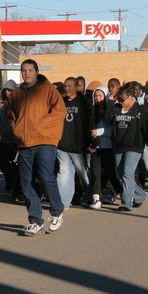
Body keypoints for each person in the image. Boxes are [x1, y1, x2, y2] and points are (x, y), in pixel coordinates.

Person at [4, 59, 65, 235]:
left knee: (46, 177)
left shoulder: (48, 89)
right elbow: (8, 111)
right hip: (25, 143)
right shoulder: (17, 93)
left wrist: (41, 125)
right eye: (23, 70)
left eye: (30, 70)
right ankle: (35, 220)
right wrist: (15, 126)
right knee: (26, 183)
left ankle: (56, 212)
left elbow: (60, 111)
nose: (26, 73)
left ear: (36, 71)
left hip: (45, 141)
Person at [109, 84, 148, 212]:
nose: (121, 102)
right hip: (119, 146)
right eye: (119, 100)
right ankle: (140, 195)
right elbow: (108, 120)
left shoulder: (140, 109)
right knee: (120, 175)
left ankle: (126, 203)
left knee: (127, 173)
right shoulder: (117, 108)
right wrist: (112, 102)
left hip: (134, 146)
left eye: (123, 100)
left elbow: (147, 128)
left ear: (130, 97)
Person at [56, 76, 92, 208]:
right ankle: (63, 202)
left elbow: (90, 123)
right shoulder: (61, 102)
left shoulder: (85, 102)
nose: (67, 88)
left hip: (79, 144)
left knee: (82, 172)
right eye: (65, 86)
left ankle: (90, 195)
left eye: (70, 86)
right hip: (62, 143)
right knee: (64, 171)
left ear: (77, 87)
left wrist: (91, 142)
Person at [88, 85, 121, 208]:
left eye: (100, 95)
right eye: (96, 96)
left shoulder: (111, 110)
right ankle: (96, 197)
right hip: (96, 147)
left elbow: (114, 129)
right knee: (95, 173)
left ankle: (123, 194)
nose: (98, 98)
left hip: (109, 147)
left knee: (111, 174)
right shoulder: (92, 110)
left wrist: (100, 131)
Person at [0, 80, 21, 203]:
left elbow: (16, 123)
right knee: (2, 163)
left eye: (10, 90)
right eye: (6, 90)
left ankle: (17, 191)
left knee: (15, 167)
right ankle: (9, 181)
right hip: (4, 140)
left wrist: (5, 130)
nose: (7, 92)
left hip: (14, 141)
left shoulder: (19, 104)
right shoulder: (1, 106)